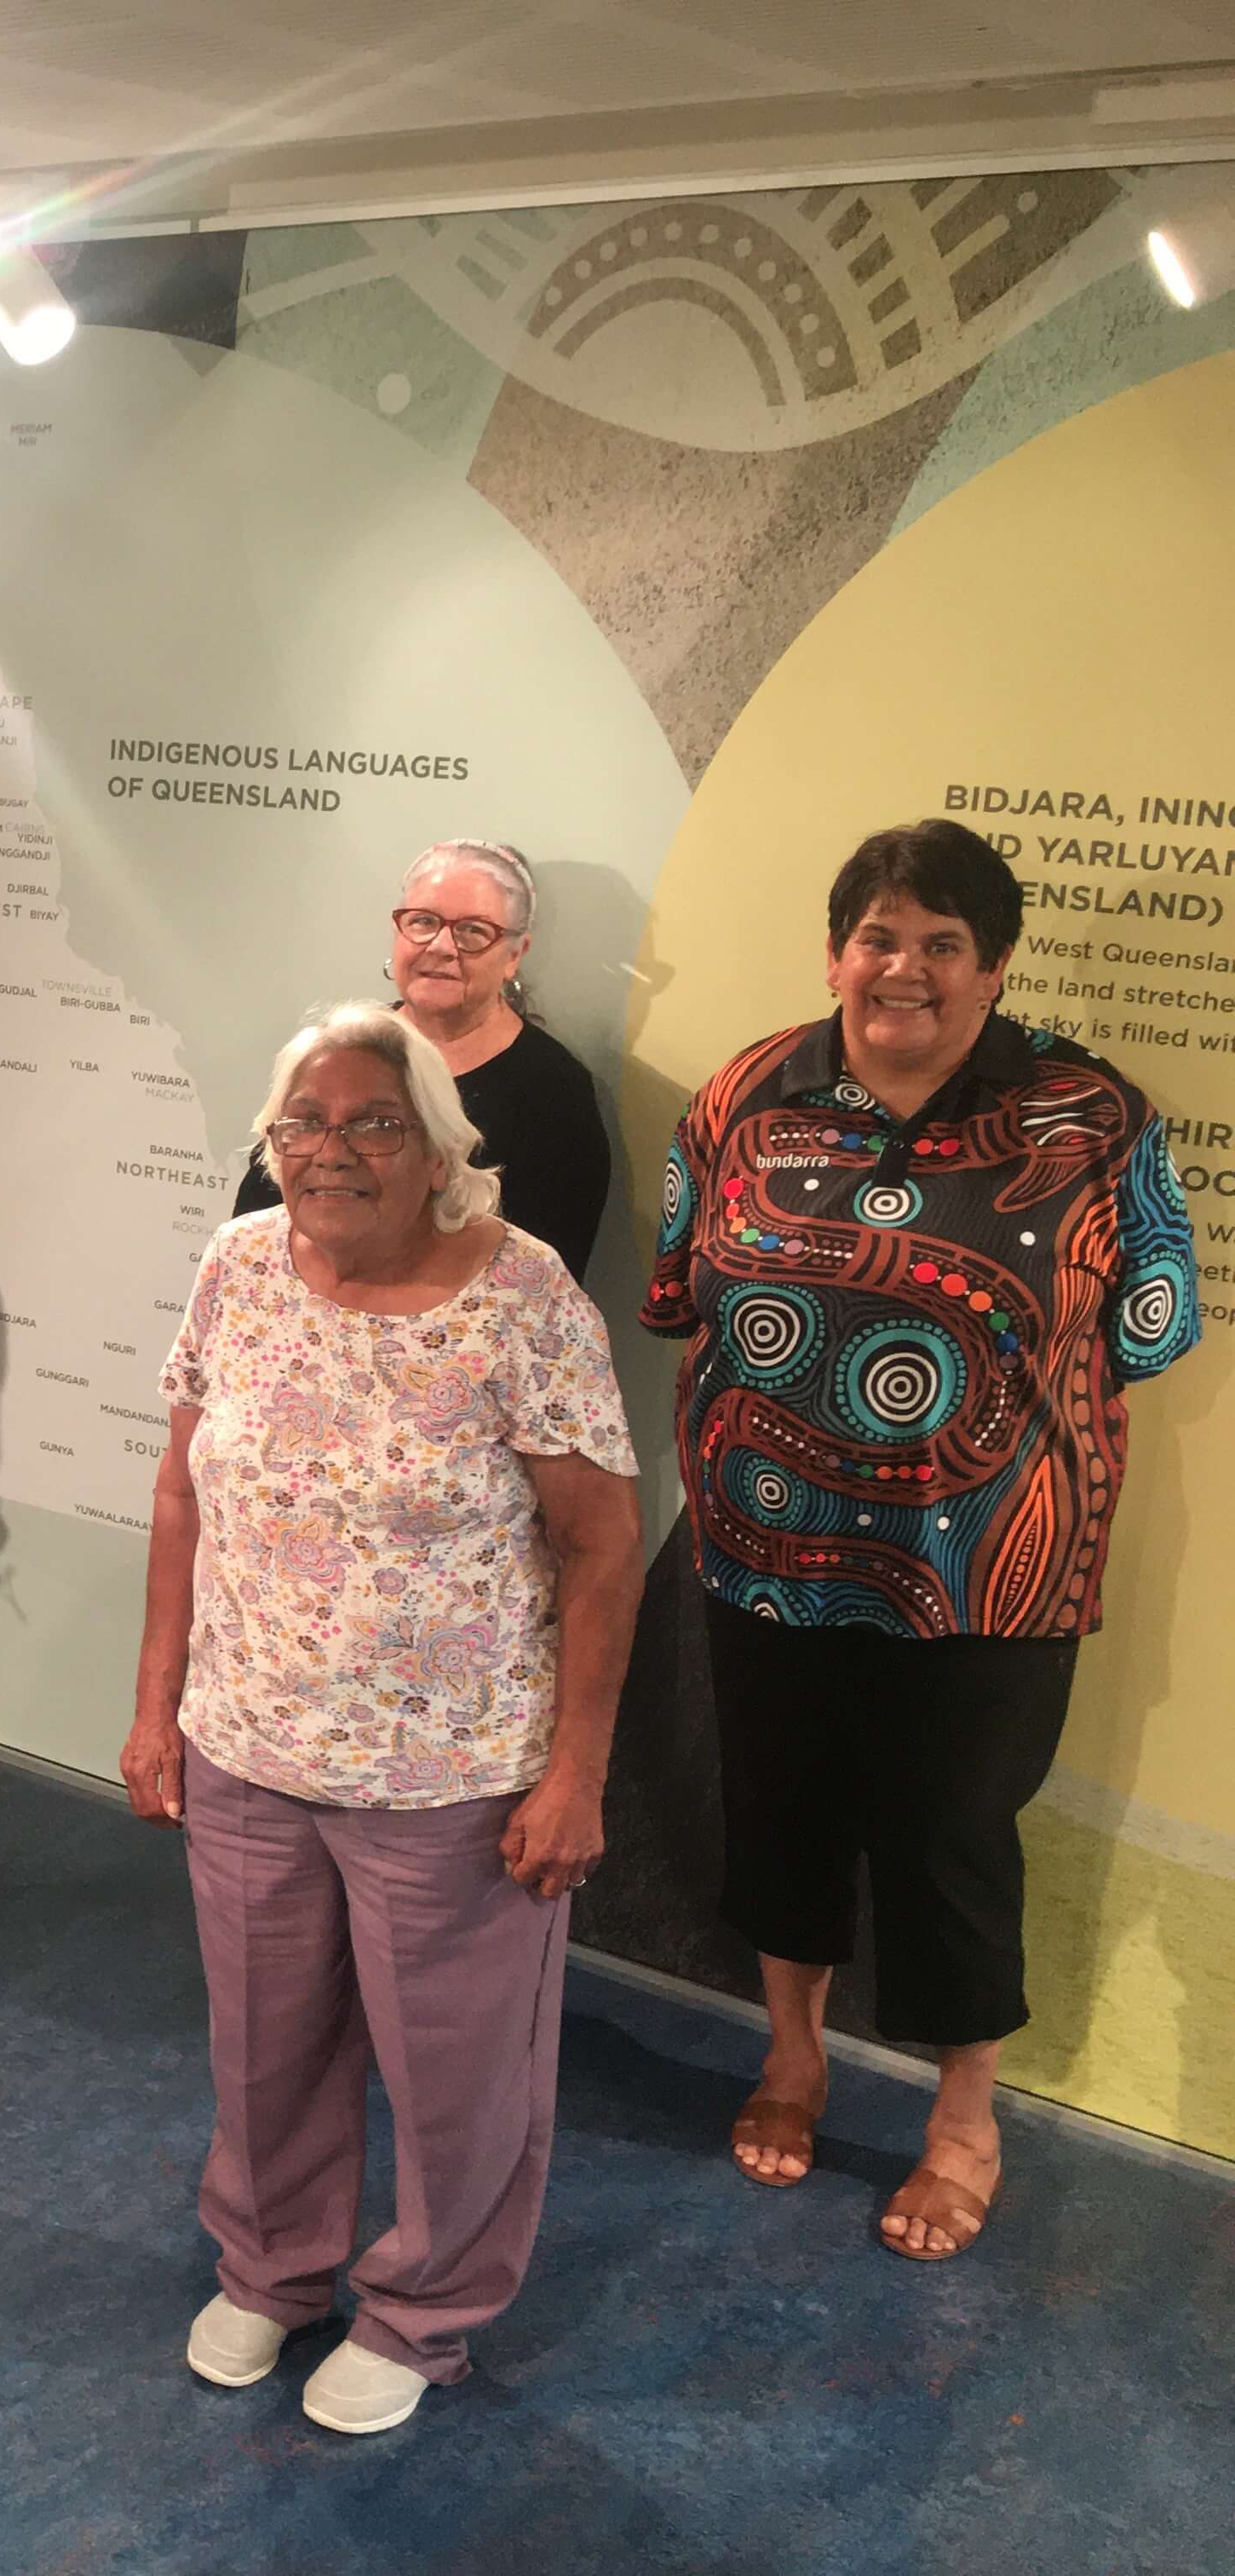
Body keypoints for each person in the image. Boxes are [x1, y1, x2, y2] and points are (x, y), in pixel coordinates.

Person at [641, 819, 1199, 2258]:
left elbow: (1155, 1321)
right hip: (766, 1552)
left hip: (991, 1568)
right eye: (877, 935)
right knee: (778, 1808)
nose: (903, 968)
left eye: (941, 941)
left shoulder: (1090, 1113)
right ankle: (793, 2056)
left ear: (991, 964)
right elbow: (675, 1284)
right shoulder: (744, 1095)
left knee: (950, 1840)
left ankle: (962, 2117)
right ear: (837, 951)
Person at [124, 1001, 641, 2436]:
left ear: (435, 1148)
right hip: (246, 1745)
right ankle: (274, 2265)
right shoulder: (236, 1266)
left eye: (371, 1122)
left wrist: (576, 1772)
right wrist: (155, 1698)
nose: (331, 1148)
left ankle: (425, 2309)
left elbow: (603, 1543)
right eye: (304, 1121)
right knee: (261, 2041)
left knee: (458, 2071)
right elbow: (182, 1486)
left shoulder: (522, 1295)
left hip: (454, 1775)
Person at [233, 839, 612, 1274]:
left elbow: (543, 1281)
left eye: (473, 931)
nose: (441, 946)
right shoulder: (336, 1057)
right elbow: (261, 1211)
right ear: (398, 934)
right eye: (423, 922)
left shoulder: (555, 1093)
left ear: (515, 955)